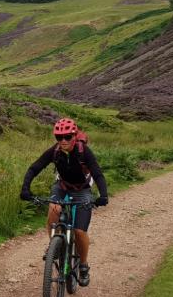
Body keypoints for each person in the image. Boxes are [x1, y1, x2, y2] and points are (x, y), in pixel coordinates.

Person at [20, 118, 108, 287]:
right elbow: (34, 168)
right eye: (59, 137)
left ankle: (83, 265)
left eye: (67, 137)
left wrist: (103, 195)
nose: (63, 141)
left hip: (82, 190)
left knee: (79, 231)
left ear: (74, 136)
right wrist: (25, 189)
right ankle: (54, 245)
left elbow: (97, 174)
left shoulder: (84, 152)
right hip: (62, 186)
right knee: (53, 210)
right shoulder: (55, 151)